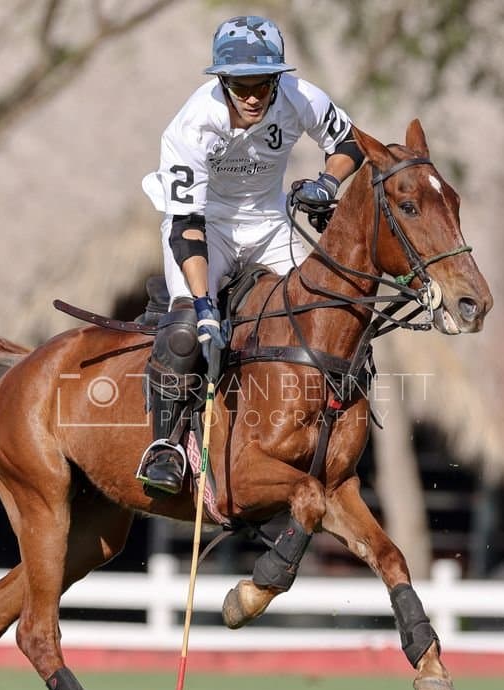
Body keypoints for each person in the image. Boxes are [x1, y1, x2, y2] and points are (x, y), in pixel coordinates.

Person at [135, 15, 363, 495]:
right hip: (207, 228)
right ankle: (165, 446)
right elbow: (187, 228)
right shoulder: (192, 125)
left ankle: (333, 418)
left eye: (263, 83)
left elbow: (348, 142)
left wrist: (328, 182)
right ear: (222, 80)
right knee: (185, 330)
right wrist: (203, 305)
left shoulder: (301, 97)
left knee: (326, 306)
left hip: (270, 223)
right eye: (241, 85)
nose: (254, 96)